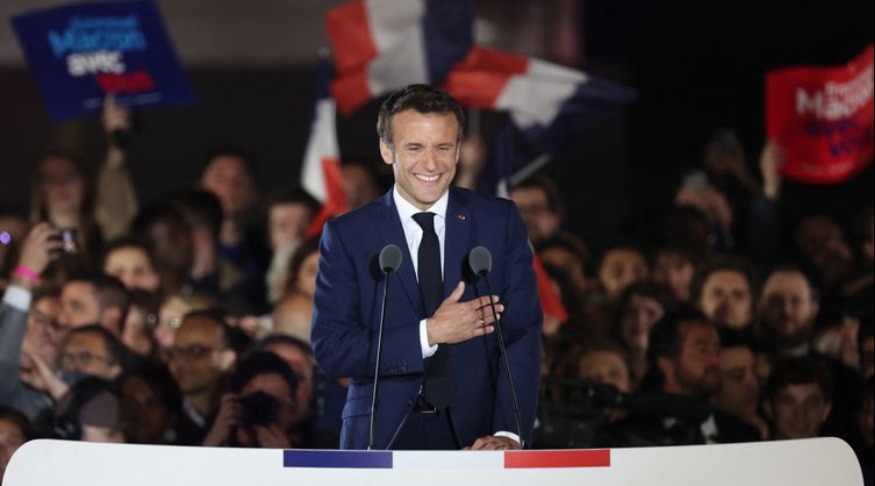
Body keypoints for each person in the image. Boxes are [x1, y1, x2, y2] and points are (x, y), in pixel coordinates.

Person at [311, 84, 542, 451]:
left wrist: (508, 431)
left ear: (459, 150)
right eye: (415, 147)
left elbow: (521, 334)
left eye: (443, 147)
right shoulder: (348, 235)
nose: (431, 164)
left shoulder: (498, 222)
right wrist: (428, 334)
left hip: (478, 439)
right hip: (380, 438)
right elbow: (333, 350)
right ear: (387, 150)